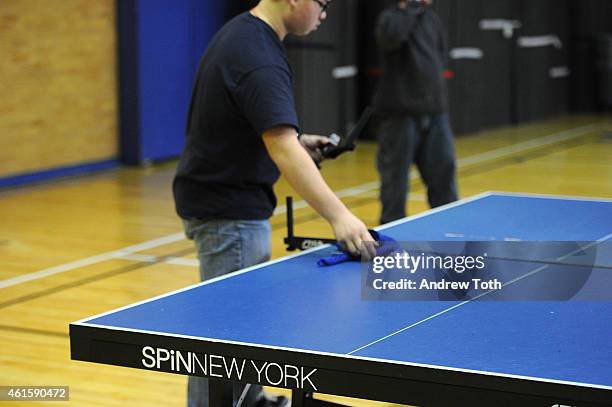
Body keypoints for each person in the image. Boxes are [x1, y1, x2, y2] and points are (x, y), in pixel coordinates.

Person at [172, 1, 376, 406]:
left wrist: (301, 143)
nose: (325, 13)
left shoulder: (243, 35)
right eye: (323, 3)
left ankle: (251, 401)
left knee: (237, 332)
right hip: (229, 213)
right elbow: (279, 144)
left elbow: (265, 132)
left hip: (223, 202)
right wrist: (341, 216)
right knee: (225, 341)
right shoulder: (258, 55)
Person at [373, 0, 458, 225]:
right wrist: (410, 8)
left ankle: (450, 232)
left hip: (435, 113)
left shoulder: (432, 19)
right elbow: (391, 38)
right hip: (400, 115)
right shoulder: (391, 18)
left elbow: (440, 56)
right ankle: (392, 237)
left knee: (444, 178)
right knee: (395, 184)